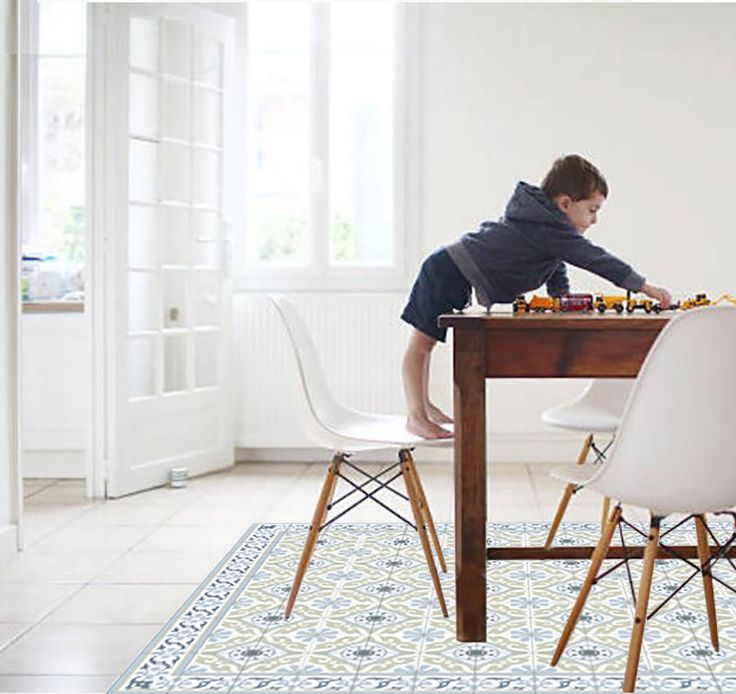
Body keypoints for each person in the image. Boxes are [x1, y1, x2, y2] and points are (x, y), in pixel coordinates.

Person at [400, 154, 672, 439]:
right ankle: (416, 415)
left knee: (426, 344)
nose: (594, 219)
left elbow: (555, 263)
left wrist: (562, 297)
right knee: (422, 344)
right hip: (447, 268)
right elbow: (596, 259)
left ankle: (424, 407)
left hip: (455, 268)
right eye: (592, 209)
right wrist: (644, 287)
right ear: (565, 203)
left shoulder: (546, 227)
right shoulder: (547, 229)